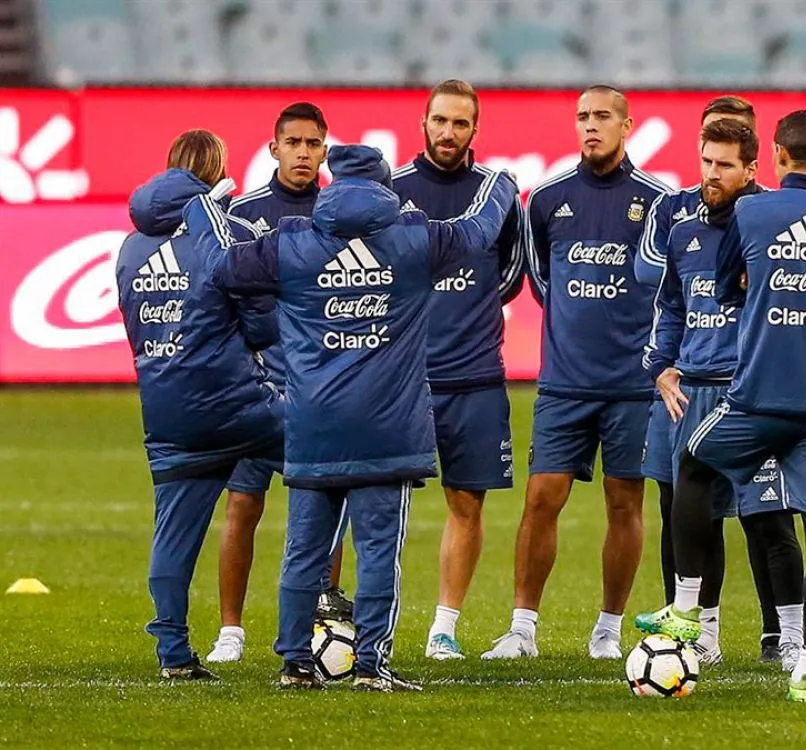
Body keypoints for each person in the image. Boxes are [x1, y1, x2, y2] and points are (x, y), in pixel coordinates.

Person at [199, 144, 517, 691]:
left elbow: (220, 266)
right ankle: (371, 666)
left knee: (304, 553)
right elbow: (477, 230)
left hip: (313, 426)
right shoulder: (416, 238)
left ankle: (295, 664)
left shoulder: (292, 243)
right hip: (388, 429)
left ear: (331, 179)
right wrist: (505, 183)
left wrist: (202, 211)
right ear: (386, 186)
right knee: (377, 556)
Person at [635, 110, 806, 703]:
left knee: (699, 469)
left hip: (757, 391)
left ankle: (688, 613)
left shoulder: (753, 214)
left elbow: (722, 281)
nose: (712, 173)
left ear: (772, 156)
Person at [483, 86, 669, 661]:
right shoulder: (547, 200)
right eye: (583, 117)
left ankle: (608, 629)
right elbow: (541, 280)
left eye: (603, 117)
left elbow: (669, 282)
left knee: (624, 502)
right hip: (564, 380)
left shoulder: (659, 201)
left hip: (633, 384)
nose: (592, 126)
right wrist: (575, 322)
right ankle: (521, 627)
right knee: (542, 497)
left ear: (627, 125)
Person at [637, 94, 803, 664]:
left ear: (751, 169)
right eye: (707, 162)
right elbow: (669, 308)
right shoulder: (682, 231)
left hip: (751, 393)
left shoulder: (773, 229)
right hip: (687, 393)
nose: (712, 174)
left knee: (768, 518)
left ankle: (786, 636)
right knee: (683, 515)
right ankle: (699, 632)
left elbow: (791, 311)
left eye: (725, 165)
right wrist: (659, 367)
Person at [115, 129, 283, 681]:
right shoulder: (228, 232)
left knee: (173, 535)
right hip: (237, 406)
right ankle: (312, 629)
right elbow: (261, 326)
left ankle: (173, 654)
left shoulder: (131, 246)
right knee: (334, 464)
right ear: (216, 173)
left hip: (165, 412)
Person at [389, 80, 524, 661]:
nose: (448, 133)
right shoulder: (388, 189)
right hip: (398, 381)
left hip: (473, 378)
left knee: (465, 503)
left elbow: (513, 272)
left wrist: (460, 307)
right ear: (423, 123)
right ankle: (360, 622)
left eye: (460, 124)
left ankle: (442, 628)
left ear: (475, 130)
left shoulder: (495, 191)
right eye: (440, 121)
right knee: (373, 504)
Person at [208, 102, 340, 665]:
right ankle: (231, 630)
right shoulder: (243, 214)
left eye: (313, 144)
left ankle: (322, 623)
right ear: (274, 148)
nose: (304, 153)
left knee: (328, 511)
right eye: (294, 143)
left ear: (325, 151)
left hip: (324, 392)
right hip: (260, 388)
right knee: (243, 504)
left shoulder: (342, 213)